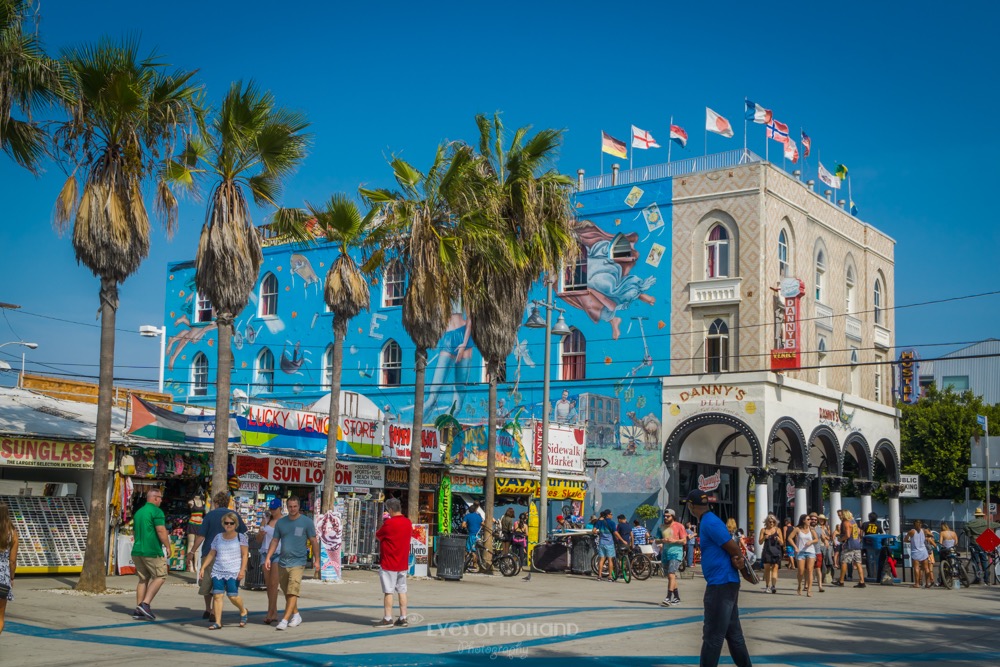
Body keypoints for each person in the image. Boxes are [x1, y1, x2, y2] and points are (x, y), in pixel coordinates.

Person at [685, 490, 752, 667]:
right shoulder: (710, 520)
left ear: (691, 506)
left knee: (712, 637)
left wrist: (742, 568)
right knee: (733, 634)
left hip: (720, 584)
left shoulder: (709, 522)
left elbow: (734, 548)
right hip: (726, 582)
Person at [187, 492, 248, 619]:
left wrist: (192, 552)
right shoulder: (234, 516)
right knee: (218, 585)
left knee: (208, 583)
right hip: (229, 556)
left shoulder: (209, 516)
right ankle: (215, 611)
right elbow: (243, 533)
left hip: (209, 552)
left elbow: (201, 536)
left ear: (216, 503)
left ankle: (208, 609)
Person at [264, 496, 320, 630]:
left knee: (293, 590)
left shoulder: (306, 522)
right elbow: (275, 541)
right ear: (286, 507)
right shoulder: (281, 523)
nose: (292, 509)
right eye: (290, 506)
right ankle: (296, 614)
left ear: (298, 506)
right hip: (283, 562)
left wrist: (317, 560)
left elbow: (313, 541)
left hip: (299, 562)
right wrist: (268, 557)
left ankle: (284, 619)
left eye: (295, 506)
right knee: (287, 592)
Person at [198, 511, 250, 629]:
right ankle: (218, 622)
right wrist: (203, 567)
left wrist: (242, 570)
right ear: (223, 524)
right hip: (218, 570)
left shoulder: (240, 537)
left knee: (232, 596)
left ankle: (243, 610)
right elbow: (212, 553)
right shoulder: (218, 537)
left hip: (233, 571)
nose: (228, 525)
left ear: (235, 524)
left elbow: (245, 555)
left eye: (231, 523)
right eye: (226, 523)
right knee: (217, 596)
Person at [130, 488, 172, 620]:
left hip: (137, 550)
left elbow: (135, 532)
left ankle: (138, 609)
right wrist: (168, 546)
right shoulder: (156, 511)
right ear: (154, 498)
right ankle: (145, 604)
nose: (161, 500)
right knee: (160, 576)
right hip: (152, 550)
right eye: (160, 497)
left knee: (143, 578)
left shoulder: (139, 512)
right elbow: (161, 530)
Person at [374, 498, 413, 628]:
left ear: (390, 509)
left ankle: (388, 618)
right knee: (402, 590)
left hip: (389, 562)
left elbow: (378, 535)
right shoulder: (408, 522)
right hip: (402, 562)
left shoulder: (389, 524)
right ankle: (403, 617)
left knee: (388, 591)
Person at [257, 498, 284, 624]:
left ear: (280, 508)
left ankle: (270, 612)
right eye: (271, 509)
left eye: (275, 509)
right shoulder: (266, 519)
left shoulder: (284, 521)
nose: (273, 511)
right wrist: (262, 531)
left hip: (278, 553)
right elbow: (258, 539)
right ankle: (274, 611)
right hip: (265, 552)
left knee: (274, 584)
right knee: (268, 585)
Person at [656, 508, 687, 607]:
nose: (665, 517)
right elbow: (656, 540)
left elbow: (684, 541)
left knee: (671, 574)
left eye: (668, 516)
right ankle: (677, 597)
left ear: (672, 516)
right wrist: (662, 540)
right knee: (671, 577)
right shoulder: (661, 527)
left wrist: (674, 541)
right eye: (664, 516)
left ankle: (668, 597)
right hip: (665, 553)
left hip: (676, 553)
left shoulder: (679, 526)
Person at [963, 507, 999, 584]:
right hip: (984, 542)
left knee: (975, 561)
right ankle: (987, 580)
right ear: (982, 515)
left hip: (974, 542)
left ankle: (977, 578)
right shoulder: (986, 522)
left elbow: (965, 526)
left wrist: (969, 534)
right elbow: (996, 525)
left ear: (976, 515)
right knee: (984, 561)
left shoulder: (971, 523)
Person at [0, 502, 18, 636]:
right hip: (3, 576)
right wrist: (11, 577)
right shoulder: (12, 533)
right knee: (0, 616)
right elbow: (12, 561)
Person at [789, 514, 818, 597]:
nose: (810, 521)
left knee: (810, 570)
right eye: (808, 519)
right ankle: (799, 585)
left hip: (810, 551)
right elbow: (789, 538)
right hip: (800, 551)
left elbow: (816, 539)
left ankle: (809, 590)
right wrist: (795, 547)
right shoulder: (797, 529)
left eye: (810, 519)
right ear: (803, 520)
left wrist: (811, 542)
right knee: (801, 571)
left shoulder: (811, 529)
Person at [836, 510, 865, 588]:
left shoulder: (846, 522)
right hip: (857, 544)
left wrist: (840, 539)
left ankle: (841, 581)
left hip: (849, 545)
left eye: (840, 515)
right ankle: (862, 581)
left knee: (844, 562)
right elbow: (859, 532)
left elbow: (848, 535)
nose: (839, 517)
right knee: (858, 562)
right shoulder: (853, 522)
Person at [905, 519, 935, 589]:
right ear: (921, 524)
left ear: (914, 524)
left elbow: (905, 540)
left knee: (916, 568)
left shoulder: (912, 531)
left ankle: (917, 583)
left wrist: (910, 541)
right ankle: (927, 583)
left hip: (915, 551)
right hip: (924, 551)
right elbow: (932, 535)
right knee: (926, 568)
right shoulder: (924, 530)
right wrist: (926, 536)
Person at [758, 514, 783, 594]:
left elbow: (782, 543)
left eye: (773, 521)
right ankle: (767, 586)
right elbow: (760, 542)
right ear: (767, 522)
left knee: (775, 568)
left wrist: (778, 539)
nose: (771, 523)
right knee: (767, 569)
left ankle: (773, 586)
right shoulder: (763, 530)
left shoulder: (778, 530)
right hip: (767, 551)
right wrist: (764, 538)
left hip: (776, 551)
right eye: (770, 521)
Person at [592, 509, 618, 582]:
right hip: (609, 543)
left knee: (601, 560)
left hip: (601, 543)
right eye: (611, 514)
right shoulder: (612, 523)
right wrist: (621, 540)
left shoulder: (599, 522)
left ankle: (599, 576)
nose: (612, 515)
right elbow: (615, 533)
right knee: (610, 560)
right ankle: (610, 577)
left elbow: (593, 531)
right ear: (608, 515)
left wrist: (598, 533)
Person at [812, 514, 831, 591]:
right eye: (812, 519)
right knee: (809, 569)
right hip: (809, 551)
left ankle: (820, 586)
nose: (814, 521)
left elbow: (823, 537)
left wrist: (826, 541)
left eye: (815, 520)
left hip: (817, 551)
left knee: (818, 568)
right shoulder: (806, 528)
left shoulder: (819, 529)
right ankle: (806, 584)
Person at [462, 502, 484, 568]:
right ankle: (475, 563)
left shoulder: (467, 516)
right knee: (475, 550)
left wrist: (466, 526)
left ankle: (466, 563)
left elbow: (463, 525)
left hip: (471, 535)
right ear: (475, 510)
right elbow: (483, 523)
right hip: (478, 535)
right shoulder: (478, 516)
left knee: (469, 549)